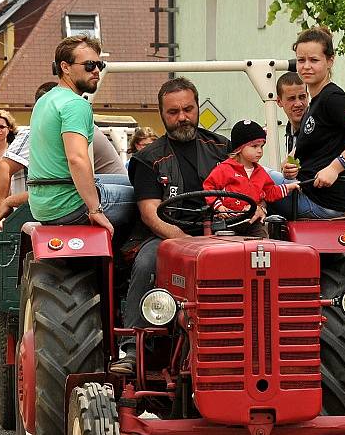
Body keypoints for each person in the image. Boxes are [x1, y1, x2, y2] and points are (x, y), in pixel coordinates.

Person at [109, 77, 259, 374]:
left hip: (221, 230)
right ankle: (131, 348)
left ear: (197, 107)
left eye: (188, 109)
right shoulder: (146, 159)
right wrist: (182, 242)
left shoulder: (222, 149)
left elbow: (251, 185)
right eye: (173, 112)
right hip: (166, 235)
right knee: (146, 262)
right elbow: (150, 213)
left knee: (259, 258)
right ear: (162, 115)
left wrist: (259, 207)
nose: (182, 118)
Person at [0, 83, 131, 238]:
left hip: (86, 195)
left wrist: (4, 211)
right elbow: (52, 186)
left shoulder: (56, 127)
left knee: (140, 196)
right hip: (84, 192)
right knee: (139, 196)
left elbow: (55, 186)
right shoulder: (65, 124)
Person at [26, 35, 134, 237]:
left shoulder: (46, 100)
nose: (96, 71)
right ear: (65, 67)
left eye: (99, 65)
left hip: (43, 205)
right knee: (148, 199)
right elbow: (76, 159)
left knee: (137, 181)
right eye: (89, 65)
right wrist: (95, 209)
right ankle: (129, 263)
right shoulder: (76, 105)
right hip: (69, 206)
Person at [271, 26, 345, 219]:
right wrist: (290, 165)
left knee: (251, 177)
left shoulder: (332, 98)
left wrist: (334, 168)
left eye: (314, 60)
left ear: (330, 61)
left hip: (321, 202)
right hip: (305, 190)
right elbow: (308, 149)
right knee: (251, 174)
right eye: (301, 60)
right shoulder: (314, 104)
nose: (306, 66)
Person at [203, 120, 298, 237]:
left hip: (253, 221)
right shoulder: (224, 169)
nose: (260, 151)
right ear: (239, 148)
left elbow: (270, 192)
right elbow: (209, 187)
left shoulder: (261, 172)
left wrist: (288, 187)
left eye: (262, 146)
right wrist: (219, 206)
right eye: (254, 146)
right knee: (227, 249)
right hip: (228, 221)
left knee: (263, 243)